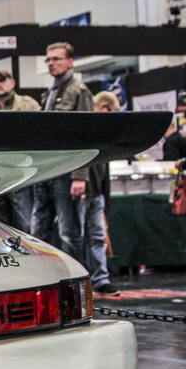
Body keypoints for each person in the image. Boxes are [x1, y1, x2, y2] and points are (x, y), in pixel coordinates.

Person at [35, 42, 95, 251]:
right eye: (48, 59)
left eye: (56, 59)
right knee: (38, 231)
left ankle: (73, 272)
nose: (51, 63)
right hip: (45, 169)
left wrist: (80, 175)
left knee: (69, 232)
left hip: (66, 170)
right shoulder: (49, 93)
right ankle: (42, 272)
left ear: (70, 62)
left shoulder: (79, 91)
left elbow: (87, 134)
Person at [68, 92, 120, 296]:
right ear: (106, 107)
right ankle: (78, 281)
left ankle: (99, 279)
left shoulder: (101, 130)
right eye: (114, 111)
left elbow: (104, 168)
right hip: (83, 190)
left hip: (95, 192)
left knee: (97, 237)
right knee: (75, 237)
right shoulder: (86, 127)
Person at [0, 68, 42, 232]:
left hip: (22, 174)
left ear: (12, 82)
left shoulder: (28, 105)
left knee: (26, 226)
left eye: (1, 80)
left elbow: (41, 136)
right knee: (0, 227)